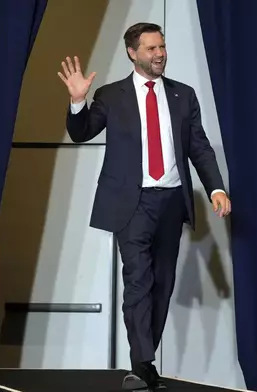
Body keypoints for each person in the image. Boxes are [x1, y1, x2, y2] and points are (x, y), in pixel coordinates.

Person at [58, 22, 232, 391]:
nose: (160, 54)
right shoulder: (111, 95)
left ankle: (143, 357)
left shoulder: (183, 96)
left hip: (171, 200)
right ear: (132, 53)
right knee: (139, 280)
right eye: (151, 49)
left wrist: (215, 188)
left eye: (162, 47)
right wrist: (77, 102)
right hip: (132, 203)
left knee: (162, 284)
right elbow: (82, 131)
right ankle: (144, 363)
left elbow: (198, 147)